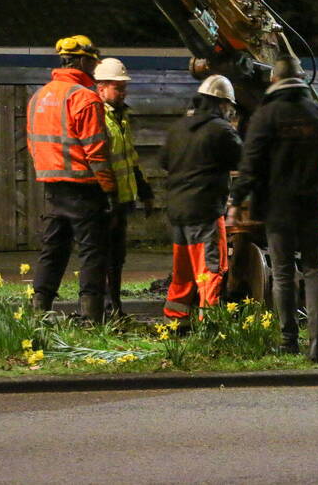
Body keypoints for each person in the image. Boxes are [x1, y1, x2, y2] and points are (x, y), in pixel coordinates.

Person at [229, 56, 318, 362]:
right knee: (314, 267)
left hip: (278, 206)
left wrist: (237, 199)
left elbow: (251, 162)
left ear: (275, 82)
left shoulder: (266, 114)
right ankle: (317, 342)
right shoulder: (316, 111)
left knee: (282, 273)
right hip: (313, 203)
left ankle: (288, 340)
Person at [26, 35, 115, 323]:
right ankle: (91, 317)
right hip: (84, 188)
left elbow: (34, 144)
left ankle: (39, 310)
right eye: (92, 61)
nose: (94, 67)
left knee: (53, 249)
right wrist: (109, 189)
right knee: (92, 252)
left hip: (52, 186)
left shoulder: (39, 97)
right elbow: (97, 151)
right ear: (82, 60)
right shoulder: (85, 98)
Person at [160, 74, 241, 323]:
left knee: (182, 272)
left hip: (177, 212)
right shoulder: (222, 130)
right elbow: (242, 161)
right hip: (206, 211)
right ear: (222, 104)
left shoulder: (178, 128)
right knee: (210, 269)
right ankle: (210, 324)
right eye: (229, 106)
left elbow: (164, 162)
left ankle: (174, 321)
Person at [94, 57, 154, 317]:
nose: (123, 92)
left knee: (116, 257)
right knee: (104, 256)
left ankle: (114, 306)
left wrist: (143, 189)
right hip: (106, 199)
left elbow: (129, 157)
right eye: (118, 87)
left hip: (121, 199)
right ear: (101, 88)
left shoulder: (121, 117)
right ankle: (107, 307)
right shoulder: (98, 116)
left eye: (123, 87)